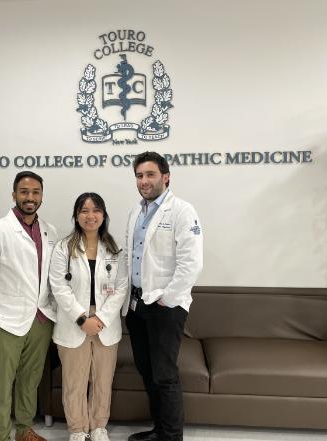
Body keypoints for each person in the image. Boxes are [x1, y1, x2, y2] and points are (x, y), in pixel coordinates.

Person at [0, 171, 57, 441]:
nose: (30, 197)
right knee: (4, 384)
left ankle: (23, 430)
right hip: (6, 321)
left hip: (41, 320)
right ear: (14, 194)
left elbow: (51, 278)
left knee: (31, 380)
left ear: (41, 195)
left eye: (36, 192)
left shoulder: (49, 231)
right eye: (24, 192)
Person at [125, 152, 203, 441]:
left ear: (166, 177)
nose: (144, 181)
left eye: (150, 175)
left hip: (164, 307)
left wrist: (167, 298)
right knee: (147, 371)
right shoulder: (137, 211)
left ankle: (171, 436)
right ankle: (159, 430)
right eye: (140, 175)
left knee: (165, 375)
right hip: (136, 306)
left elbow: (191, 263)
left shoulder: (182, 211)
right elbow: (131, 258)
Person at [49, 192, 128, 441]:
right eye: (84, 210)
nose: (90, 216)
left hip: (106, 322)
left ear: (103, 216)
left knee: (103, 379)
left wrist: (101, 318)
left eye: (96, 210)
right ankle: (77, 429)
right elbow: (58, 286)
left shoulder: (114, 249)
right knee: (74, 380)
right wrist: (82, 319)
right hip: (75, 322)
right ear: (76, 215)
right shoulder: (64, 247)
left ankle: (98, 427)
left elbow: (122, 287)